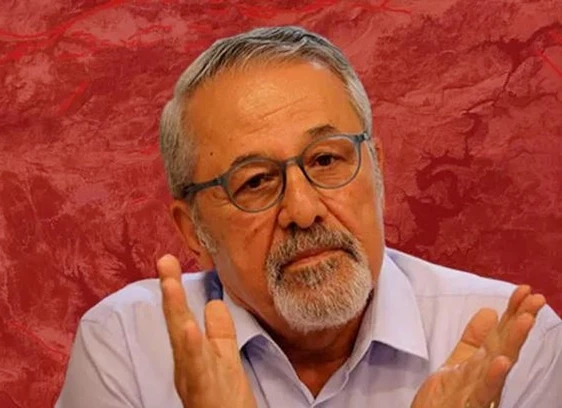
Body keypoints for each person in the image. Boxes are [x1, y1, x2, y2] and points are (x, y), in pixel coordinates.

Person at [55, 26, 561, 408]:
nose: (302, 209)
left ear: (377, 171)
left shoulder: (513, 346)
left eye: (325, 160)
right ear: (195, 231)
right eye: (255, 181)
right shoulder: (128, 345)